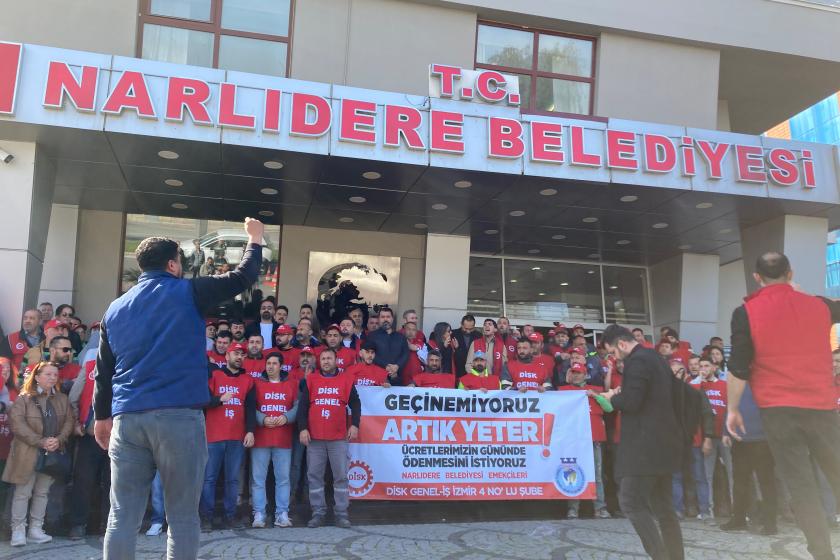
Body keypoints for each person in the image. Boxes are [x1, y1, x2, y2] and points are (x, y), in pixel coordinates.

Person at [93, 218, 263, 560]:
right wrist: (255, 240)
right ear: (172, 264)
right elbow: (243, 278)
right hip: (178, 418)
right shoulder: (189, 291)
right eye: (181, 264)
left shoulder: (114, 309)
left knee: (121, 517)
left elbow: (104, 371)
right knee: (183, 517)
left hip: (127, 420)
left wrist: (101, 417)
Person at [727, 252, 840, 560]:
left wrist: (732, 409)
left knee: (801, 484)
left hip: (778, 409)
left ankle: (822, 554)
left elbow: (738, 367)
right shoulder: (819, 306)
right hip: (821, 404)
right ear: (790, 274)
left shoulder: (746, 312)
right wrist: (805, 294)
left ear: (756, 277)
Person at [600, 324, 684, 560]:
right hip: (664, 444)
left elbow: (633, 401)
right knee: (664, 508)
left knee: (630, 501)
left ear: (622, 344)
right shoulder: (656, 358)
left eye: (613, 353)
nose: (614, 358)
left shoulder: (636, 361)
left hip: (644, 448)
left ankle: (660, 556)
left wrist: (612, 398)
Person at [4, 361, 75, 547]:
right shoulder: (24, 399)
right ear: (36, 376)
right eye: (48, 374)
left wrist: (58, 439)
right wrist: (41, 441)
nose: (52, 378)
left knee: (42, 492)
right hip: (27, 452)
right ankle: (18, 530)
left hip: (52, 453)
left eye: (55, 375)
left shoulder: (62, 399)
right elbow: (17, 425)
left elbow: (69, 421)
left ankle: (36, 529)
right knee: (23, 492)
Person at [297, 348, 361, 528]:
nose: (325, 361)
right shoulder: (311, 379)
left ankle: (341, 513)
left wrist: (355, 424)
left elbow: (355, 404)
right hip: (315, 438)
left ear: (336, 360)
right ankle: (318, 512)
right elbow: (302, 408)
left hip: (338, 438)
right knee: (314, 476)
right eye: (323, 358)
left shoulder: (346, 379)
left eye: (329, 358)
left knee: (340, 476)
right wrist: (302, 429)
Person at [201, 341, 256, 531]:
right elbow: (202, 400)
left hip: (236, 437)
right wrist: (219, 400)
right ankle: (206, 518)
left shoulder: (248, 380)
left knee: (232, 480)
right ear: (227, 356)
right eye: (236, 354)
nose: (239, 357)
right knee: (209, 479)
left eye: (242, 355)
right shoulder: (214, 375)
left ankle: (229, 516)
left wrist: (250, 430)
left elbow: (250, 409)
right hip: (214, 436)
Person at [720, 383, 777, 535]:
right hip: (740, 440)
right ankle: (738, 519)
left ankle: (771, 523)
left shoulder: (766, 381)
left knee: (767, 483)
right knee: (740, 482)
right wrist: (725, 431)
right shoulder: (737, 383)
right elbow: (729, 407)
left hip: (763, 440)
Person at [558, 362, 612, 519]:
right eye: (573, 372)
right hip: (572, 441)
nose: (576, 375)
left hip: (594, 439)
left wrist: (595, 396)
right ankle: (573, 508)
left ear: (584, 374)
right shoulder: (563, 391)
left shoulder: (595, 390)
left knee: (597, 474)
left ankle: (600, 507)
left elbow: (608, 408)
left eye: (578, 372)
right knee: (572, 472)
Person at [250, 352, 298, 529]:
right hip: (261, 438)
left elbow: (298, 406)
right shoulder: (257, 385)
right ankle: (259, 513)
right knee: (258, 479)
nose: (270, 366)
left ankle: (282, 513)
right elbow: (250, 407)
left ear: (281, 366)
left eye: (274, 363)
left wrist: (287, 417)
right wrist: (262, 418)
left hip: (283, 439)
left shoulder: (292, 384)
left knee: (283, 479)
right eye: (268, 363)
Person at [67, 360, 110, 540]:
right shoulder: (91, 366)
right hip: (90, 436)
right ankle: (78, 524)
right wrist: (76, 422)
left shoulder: (129, 365)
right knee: (83, 482)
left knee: (113, 484)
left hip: (118, 439)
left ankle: (109, 525)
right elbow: (72, 399)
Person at [691, 355, 732, 519]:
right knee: (707, 474)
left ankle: (738, 508)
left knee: (732, 472)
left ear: (714, 367)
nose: (703, 369)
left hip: (724, 435)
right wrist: (698, 380)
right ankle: (708, 509)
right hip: (707, 436)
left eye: (706, 366)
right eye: (701, 366)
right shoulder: (697, 385)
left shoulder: (724, 385)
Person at [366, 308, 406, 385]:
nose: (385, 319)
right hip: (377, 378)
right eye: (383, 317)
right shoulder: (372, 336)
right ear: (379, 319)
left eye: (388, 317)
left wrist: (397, 366)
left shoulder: (401, 337)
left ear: (392, 319)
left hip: (396, 376)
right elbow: (369, 354)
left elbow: (405, 354)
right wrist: (386, 366)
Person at [451, 314, 479, 378]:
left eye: (471, 329)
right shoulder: (453, 334)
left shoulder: (479, 336)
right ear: (461, 324)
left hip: (473, 371)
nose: (468, 331)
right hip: (457, 371)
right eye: (466, 328)